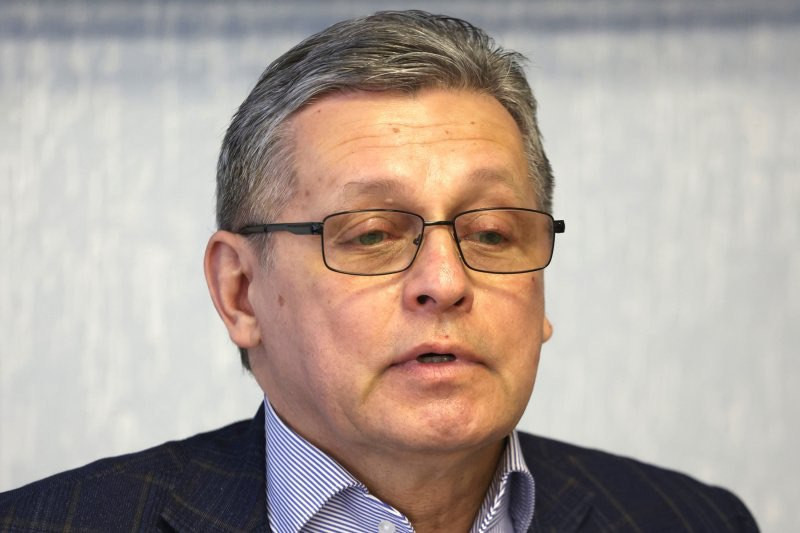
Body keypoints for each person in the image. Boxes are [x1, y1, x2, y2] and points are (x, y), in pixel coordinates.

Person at [0, 10, 758, 532]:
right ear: (241, 292)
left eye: (491, 233)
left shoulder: (691, 520)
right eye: (371, 235)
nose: (446, 282)